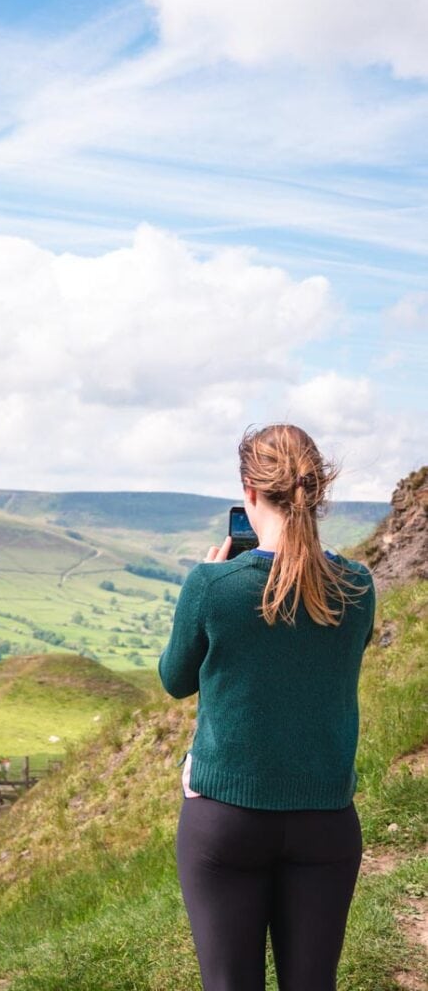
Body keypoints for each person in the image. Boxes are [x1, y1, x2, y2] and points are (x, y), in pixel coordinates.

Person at [158, 423, 376, 991]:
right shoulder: (357, 586)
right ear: (316, 490)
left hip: (225, 818)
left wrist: (213, 576)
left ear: (249, 492)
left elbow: (175, 680)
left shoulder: (215, 585)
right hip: (327, 820)